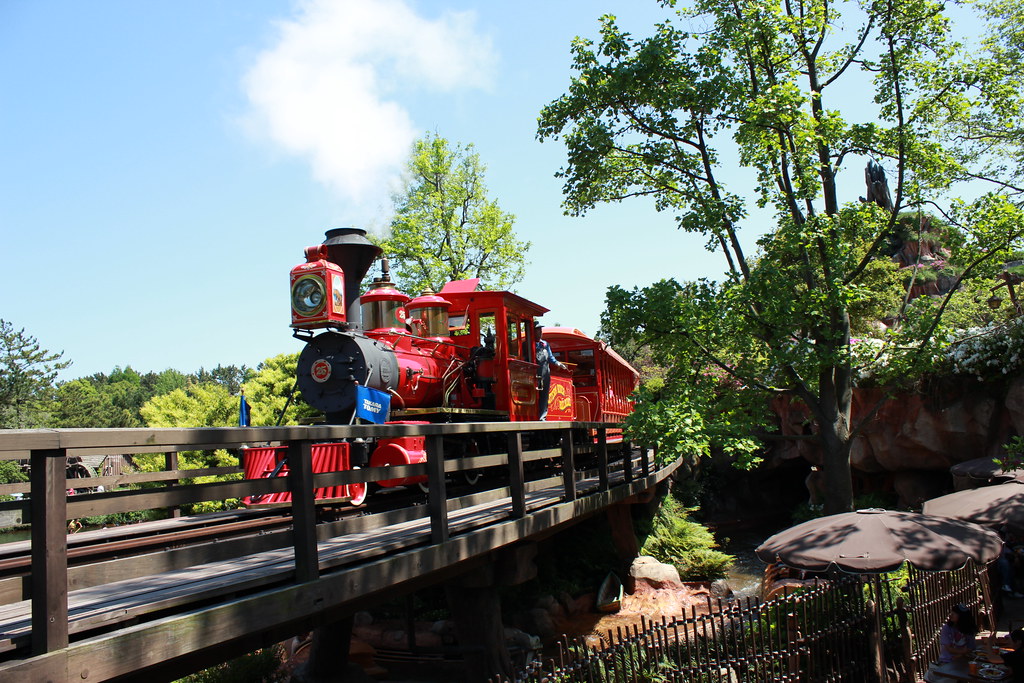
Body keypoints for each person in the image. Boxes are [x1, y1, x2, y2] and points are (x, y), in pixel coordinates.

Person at [925, 604, 978, 682]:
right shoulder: (947, 628)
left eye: (954, 613)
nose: (951, 614)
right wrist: (963, 651)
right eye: (951, 612)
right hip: (946, 661)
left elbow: (971, 647)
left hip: (963, 661)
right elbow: (949, 649)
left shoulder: (968, 630)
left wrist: (961, 655)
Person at [534, 323, 567, 420]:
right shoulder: (527, 344)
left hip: (545, 373)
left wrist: (558, 363)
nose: (540, 332)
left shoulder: (545, 344)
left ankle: (542, 416)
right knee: (537, 394)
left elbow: (550, 357)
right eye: (538, 330)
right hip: (535, 373)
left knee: (544, 395)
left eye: (541, 330)